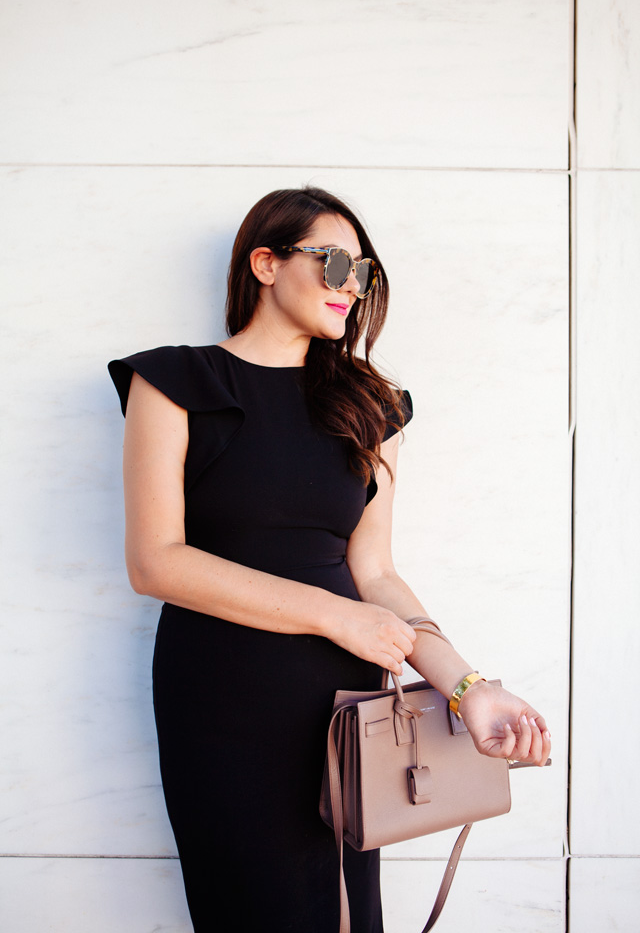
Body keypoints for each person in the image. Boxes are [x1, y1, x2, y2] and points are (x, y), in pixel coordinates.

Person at [109, 186, 551, 933]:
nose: (353, 285)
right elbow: (156, 562)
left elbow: (376, 573)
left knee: (345, 914)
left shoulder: (371, 406)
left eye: (365, 273)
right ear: (265, 264)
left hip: (348, 712)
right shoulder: (176, 383)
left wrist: (467, 686)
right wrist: (335, 616)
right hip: (220, 700)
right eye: (336, 262)